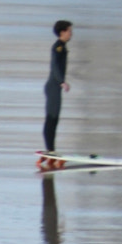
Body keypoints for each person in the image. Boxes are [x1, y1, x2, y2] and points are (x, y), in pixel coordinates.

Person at [43, 19, 73, 154]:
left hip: (55, 87)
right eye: (69, 31)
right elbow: (54, 66)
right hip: (53, 87)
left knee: (54, 119)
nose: (71, 34)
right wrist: (62, 81)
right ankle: (50, 150)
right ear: (62, 32)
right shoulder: (58, 47)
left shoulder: (62, 46)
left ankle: (51, 149)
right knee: (52, 118)